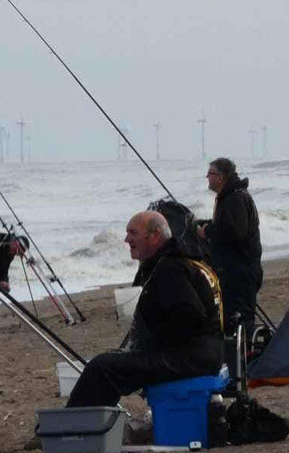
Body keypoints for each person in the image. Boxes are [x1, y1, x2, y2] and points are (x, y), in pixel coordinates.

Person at [66, 211, 223, 408]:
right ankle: (86, 426)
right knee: (111, 362)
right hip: (205, 354)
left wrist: (153, 344)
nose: (126, 239)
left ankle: (71, 429)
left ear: (155, 235)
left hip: (191, 359)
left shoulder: (171, 268)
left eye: (133, 233)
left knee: (102, 367)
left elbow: (190, 316)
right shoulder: (185, 259)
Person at [197, 158, 263, 340]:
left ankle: (245, 362)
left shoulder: (236, 198)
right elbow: (228, 225)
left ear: (220, 177)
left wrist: (208, 231)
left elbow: (236, 232)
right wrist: (206, 225)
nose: (207, 177)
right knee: (231, 319)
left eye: (210, 174)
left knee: (240, 321)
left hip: (240, 273)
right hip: (233, 270)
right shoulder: (229, 196)